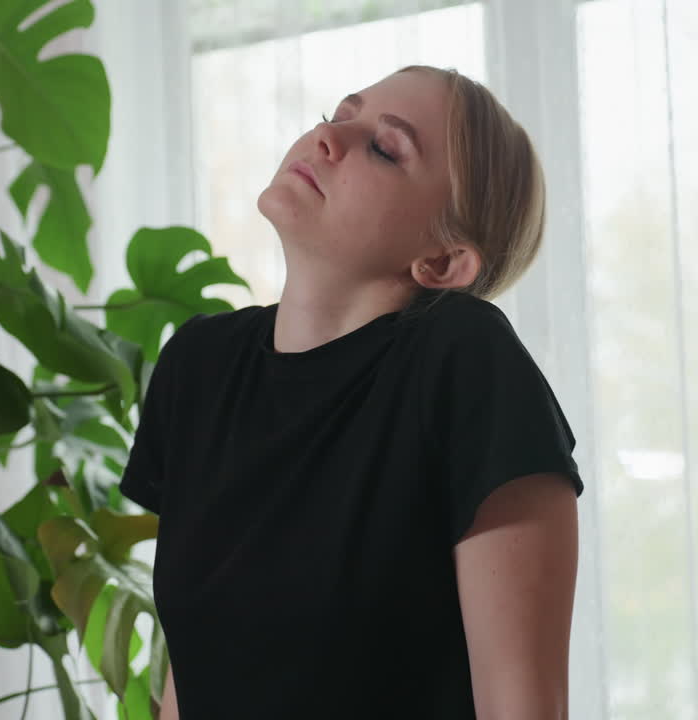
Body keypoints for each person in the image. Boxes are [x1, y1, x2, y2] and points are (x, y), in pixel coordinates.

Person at [120, 65, 583, 719]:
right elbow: (188, 681)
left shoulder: (463, 362)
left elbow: (522, 707)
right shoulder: (198, 366)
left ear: (444, 262)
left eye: (384, 147)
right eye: (339, 114)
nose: (327, 138)